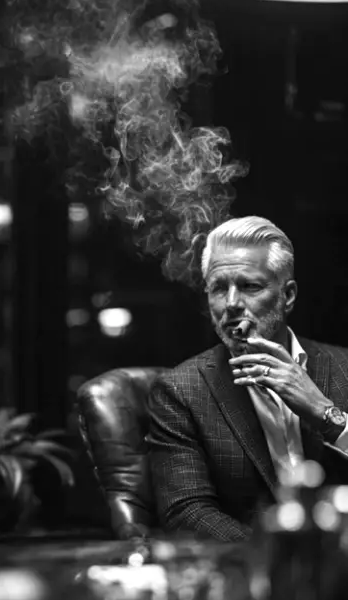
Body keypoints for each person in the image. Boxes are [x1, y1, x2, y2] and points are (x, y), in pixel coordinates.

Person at [147, 215, 348, 541]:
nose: (231, 304)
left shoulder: (344, 367)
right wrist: (271, 558)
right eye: (218, 288)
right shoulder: (180, 392)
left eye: (249, 286)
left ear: (288, 296)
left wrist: (326, 415)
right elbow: (186, 511)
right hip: (247, 565)